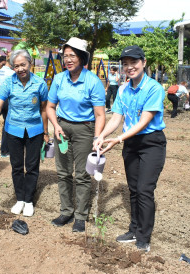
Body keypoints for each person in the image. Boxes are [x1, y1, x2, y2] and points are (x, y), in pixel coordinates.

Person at [94, 45, 166, 252]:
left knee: (144, 189)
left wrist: (118, 139)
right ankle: (134, 229)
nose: (129, 67)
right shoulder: (124, 89)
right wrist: (102, 136)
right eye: (125, 64)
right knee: (133, 189)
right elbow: (117, 117)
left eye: (133, 62)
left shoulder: (154, 88)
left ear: (143, 63)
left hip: (151, 143)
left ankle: (144, 236)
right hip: (131, 143)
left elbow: (144, 121)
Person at [46, 37, 106, 233]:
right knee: (63, 172)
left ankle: (80, 216)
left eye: (72, 56)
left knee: (82, 175)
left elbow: (99, 114)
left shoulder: (92, 81)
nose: (68, 59)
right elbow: (50, 107)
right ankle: (66, 211)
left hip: (84, 130)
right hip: (62, 128)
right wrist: (55, 125)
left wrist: (97, 138)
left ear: (81, 58)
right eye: (65, 56)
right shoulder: (58, 79)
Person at [0, 49, 49, 217]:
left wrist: (46, 132)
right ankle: (20, 198)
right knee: (17, 166)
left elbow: (43, 109)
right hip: (13, 130)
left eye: (23, 65)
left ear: (30, 64)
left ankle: (29, 201)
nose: (20, 69)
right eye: (16, 66)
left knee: (33, 167)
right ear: (12, 67)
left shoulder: (40, 83)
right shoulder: (8, 83)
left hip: (35, 130)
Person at [0, 54, 15, 157]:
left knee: (5, 124)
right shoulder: (11, 73)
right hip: (8, 100)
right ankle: (5, 150)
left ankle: (4, 148)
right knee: (9, 124)